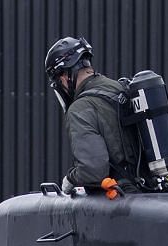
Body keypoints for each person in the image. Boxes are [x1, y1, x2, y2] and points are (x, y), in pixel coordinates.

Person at [45, 36, 141, 194]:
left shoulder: (80, 109)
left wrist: (70, 179)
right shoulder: (122, 89)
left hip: (123, 203)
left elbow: (93, 170)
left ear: (63, 76)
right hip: (151, 191)